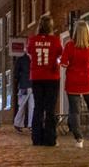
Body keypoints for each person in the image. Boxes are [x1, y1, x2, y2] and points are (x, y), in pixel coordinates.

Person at [61, 20, 89, 148]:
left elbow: (63, 63)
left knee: (74, 111)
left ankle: (79, 140)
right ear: (88, 32)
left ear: (76, 32)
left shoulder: (69, 45)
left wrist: (70, 64)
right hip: (88, 83)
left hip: (73, 83)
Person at [27, 14, 62, 147]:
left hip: (36, 77)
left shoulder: (32, 40)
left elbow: (29, 53)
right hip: (52, 77)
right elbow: (60, 55)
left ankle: (36, 138)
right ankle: (50, 139)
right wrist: (55, 62)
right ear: (51, 27)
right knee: (50, 109)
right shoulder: (56, 41)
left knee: (38, 108)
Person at [12, 51, 33, 132]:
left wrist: (19, 79)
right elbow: (16, 73)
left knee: (27, 105)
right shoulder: (22, 59)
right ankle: (21, 124)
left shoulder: (21, 59)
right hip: (27, 86)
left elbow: (16, 73)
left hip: (26, 85)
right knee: (25, 105)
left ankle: (20, 123)